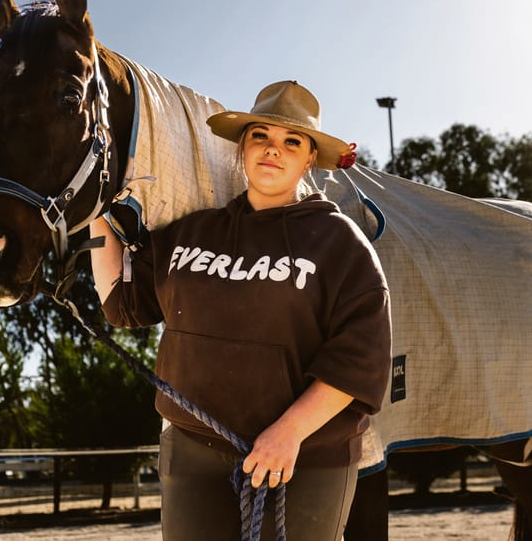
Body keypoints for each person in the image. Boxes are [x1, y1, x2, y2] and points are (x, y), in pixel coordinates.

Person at [89, 80, 391, 540]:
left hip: (303, 456)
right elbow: (123, 303)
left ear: (309, 158)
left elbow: (359, 360)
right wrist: (93, 212)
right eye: (260, 136)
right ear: (242, 147)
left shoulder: (340, 244)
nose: (273, 150)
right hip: (192, 450)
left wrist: (289, 432)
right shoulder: (192, 232)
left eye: (292, 142)